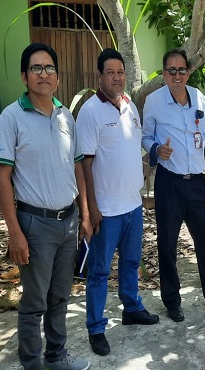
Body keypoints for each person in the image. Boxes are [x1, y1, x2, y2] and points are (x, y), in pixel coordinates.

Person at [0, 42, 91, 370]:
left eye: (49, 68)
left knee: (60, 296)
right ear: (24, 76)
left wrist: (84, 214)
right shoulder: (11, 118)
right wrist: (14, 232)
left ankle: (57, 357)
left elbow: (77, 166)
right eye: (36, 68)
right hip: (34, 225)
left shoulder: (65, 116)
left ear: (58, 78)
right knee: (34, 304)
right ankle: (31, 363)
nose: (43, 74)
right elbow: (2, 178)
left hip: (68, 221)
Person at [77, 48, 159, 356]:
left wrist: (147, 162)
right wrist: (91, 209)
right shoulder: (89, 112)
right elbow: (85, 165)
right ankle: (96, 327)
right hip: (106, 210)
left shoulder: (130, 107)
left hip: (132, 204)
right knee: (99, 271)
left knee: (131, 263)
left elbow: (131, 150)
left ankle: (131, 308)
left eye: (121, 72)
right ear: (99, 77)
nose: (117, 77)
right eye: (110, 72)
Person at [142, 49, 205, 322]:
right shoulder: (153, 101)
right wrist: (157, 149)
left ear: (188, 72)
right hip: (169, 182)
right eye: (172, 71)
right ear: (164, 74)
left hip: (197, 184)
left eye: (182, 70)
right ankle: (172, 301)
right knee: (167, 245)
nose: (177, 76)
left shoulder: (199, 97)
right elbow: (145, 138)